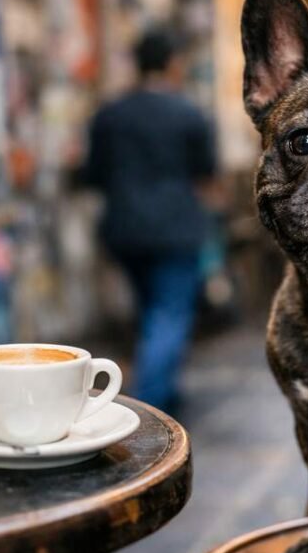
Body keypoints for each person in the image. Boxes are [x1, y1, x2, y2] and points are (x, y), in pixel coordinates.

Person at [85, 27, 218, 410]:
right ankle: (150, 408)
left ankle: (167, 392)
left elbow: (93, 174)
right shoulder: (188, 113)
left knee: (151, 311)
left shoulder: (109, 114)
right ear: (172, 64)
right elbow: (205, 172)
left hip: (123, 229)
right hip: (174, 229)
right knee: (169, 315)